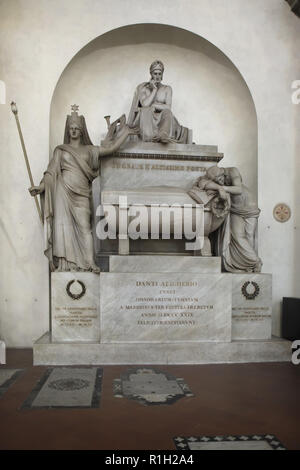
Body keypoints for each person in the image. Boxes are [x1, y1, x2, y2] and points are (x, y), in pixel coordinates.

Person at [29, 106, 136, 273]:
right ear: (68, 130)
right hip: (63, 192)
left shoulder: (89, 150)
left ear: (81, 131)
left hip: (81, 194)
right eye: (71, 128)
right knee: (63, 227)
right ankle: (65, 264)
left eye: (76, 129)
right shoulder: (60, 150)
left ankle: (89, 262)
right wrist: (41, 187)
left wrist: (125, 134)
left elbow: (110, 149)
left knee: (85, 227)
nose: (73, 131)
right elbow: (51, 172)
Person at [192, 166, 262, 273]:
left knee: (249, 237)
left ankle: (249, 266)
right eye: (217, 181)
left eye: (220, 179)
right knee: (238, 236)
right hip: (235, 209)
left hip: (249, 206)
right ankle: (255, 261)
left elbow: (238, 189)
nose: (220, 182)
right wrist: (218, 187)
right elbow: (202, 183)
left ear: (222, 173)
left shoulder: (232, 171)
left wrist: (222, 188)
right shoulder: (215, 179)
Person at [128, 60, 189, 144]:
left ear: (162, 74)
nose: (157, 76)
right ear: (151, 74)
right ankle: (150, 137)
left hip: (163, 117)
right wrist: (154, 90)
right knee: (146, 111)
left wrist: (154, 105)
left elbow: (168, 107)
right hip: (148, 118)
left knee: (167, 112)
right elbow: (145, 105)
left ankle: (162, 135)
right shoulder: (143, 88)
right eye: (155, 73)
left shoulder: (167, 89)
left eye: (159, 74)